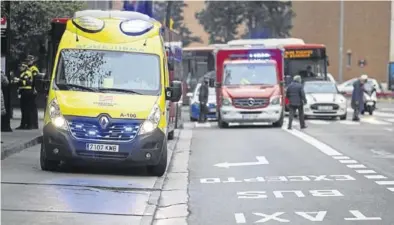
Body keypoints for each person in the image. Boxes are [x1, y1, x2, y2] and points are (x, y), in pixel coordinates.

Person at [14, 62, 34, 130]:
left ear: (24, 67)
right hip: (23, 92)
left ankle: (28, 125)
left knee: (26, 109)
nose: (20, 68)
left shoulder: (27, 73)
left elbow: (27, 82)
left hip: (27, 92)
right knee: (23, 109)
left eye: (21, 66)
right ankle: (23, 124)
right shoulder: (23, 73)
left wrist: (18, 80)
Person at [26, 55, 39, 129]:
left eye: (29, 60)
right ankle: (29, 123)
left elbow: (35, 80)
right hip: (29, 89)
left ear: (33, 61)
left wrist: (34, 88)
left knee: (32, 108)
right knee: (29, 107)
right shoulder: (28, 68)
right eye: (27, 60)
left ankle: (34, 124)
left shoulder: (34, 69)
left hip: (33, 90)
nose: (28, 62)